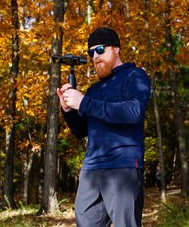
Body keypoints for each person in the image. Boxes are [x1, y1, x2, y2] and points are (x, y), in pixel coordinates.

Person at [56, 27, 151, 227]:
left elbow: (133, 112)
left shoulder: (135, 76)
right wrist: (68, 109)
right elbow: (81, 130)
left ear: (116, 49)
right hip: (91, 170)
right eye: (91, 52)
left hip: (122, 167)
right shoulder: (94, 90)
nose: (95, 56)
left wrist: (84, 103)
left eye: (100, 49)